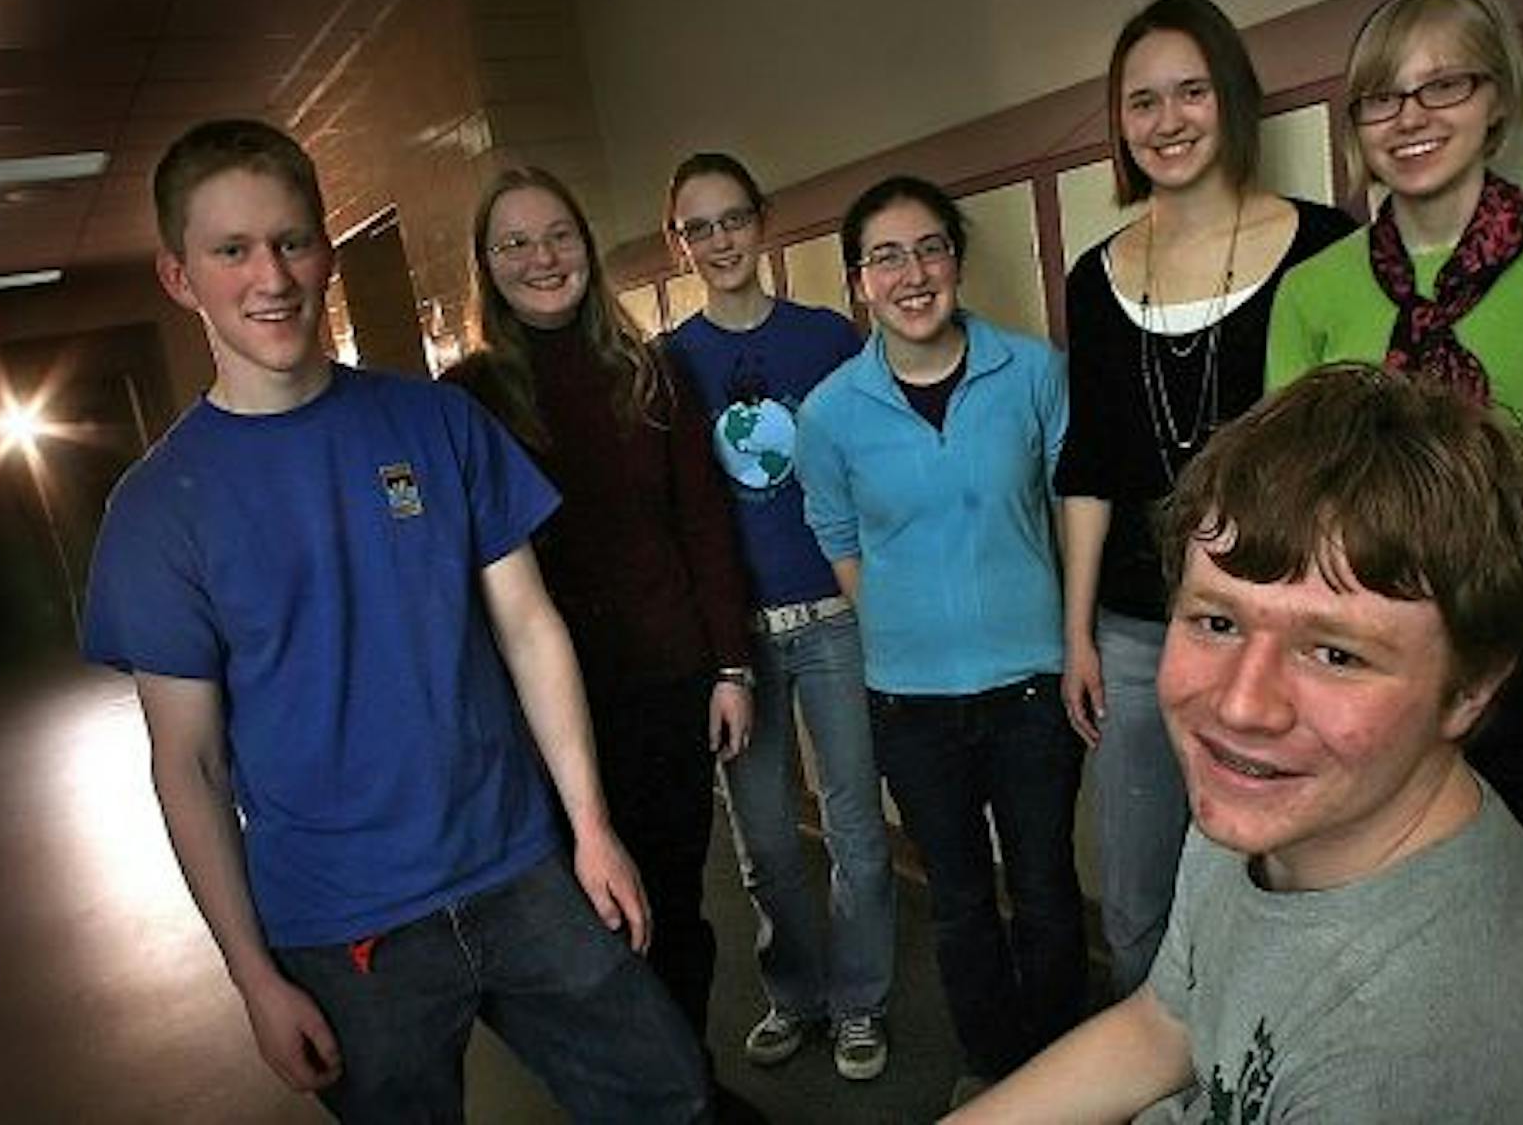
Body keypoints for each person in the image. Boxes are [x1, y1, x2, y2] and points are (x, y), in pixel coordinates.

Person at [81, 119, 709, 1124]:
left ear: (326, 248)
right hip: (341, 926)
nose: (271, 275)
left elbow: (530, 627)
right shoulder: (160, 510)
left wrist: (590, 826)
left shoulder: (435, 423)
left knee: (668, 1093)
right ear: (179, 276)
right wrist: (252, 974)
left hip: (517, 863)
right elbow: (187, 763)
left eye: (291, 240)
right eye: (231, 250)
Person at [954, 365, 1523, 1123]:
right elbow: (1165, 1025)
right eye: (1217, 622)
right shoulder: (1269, 797)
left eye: (1336, 653)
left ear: (1470, 689)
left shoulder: (1420, 1057)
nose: (1241, 705)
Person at [1267, 0, 1523, 922]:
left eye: (1445, 85)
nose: (1411, 117)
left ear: (1498, 101)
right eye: (1382, 96)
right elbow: (1295, 511)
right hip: (1369, 684)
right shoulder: (1314, 291)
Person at [1054, 0, 1356, 998]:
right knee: (1139, 895)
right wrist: (1079, 634)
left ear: (1230, 100)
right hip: (1140, 630)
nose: (1169, 119)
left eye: (1190, 91)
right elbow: (1088, 466)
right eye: (1143, 101)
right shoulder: (1093, 279)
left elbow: (1348, 455)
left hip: (1280, 627)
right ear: (1120, 124)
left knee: (1282, 882)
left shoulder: (1325, 244)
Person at [441, 167, 754, 1065]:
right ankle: (639, 1094)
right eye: (515, 242)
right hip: (549, 712)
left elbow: (704, 523)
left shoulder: (650, 373)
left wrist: (730, 666)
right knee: (594, 923)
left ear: (587, 247)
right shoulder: (466, 398)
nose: (543, 258)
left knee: (678, 907)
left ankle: (688, 1086)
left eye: (559, 235)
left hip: (667, 684)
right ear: (486, 265)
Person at [797, 174, 1086, 1107]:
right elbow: (840, 543)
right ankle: (994, 1065)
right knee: (960, 901)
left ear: (956, 261)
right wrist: (907, 626)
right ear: (858, 282)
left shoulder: (1032, 371)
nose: (911, 273)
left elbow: (1070, 506)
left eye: (929, 248)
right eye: (885, 256)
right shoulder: (830, 413)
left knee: (1045, 892)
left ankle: (1067, 1064)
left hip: (1034, 685)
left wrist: (1073, 640)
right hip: (911, 702)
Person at [662, 152, 896, 1081]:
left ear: (762, 221)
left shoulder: (831, 340)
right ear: (681, 241)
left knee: (857, 833)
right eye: (699, 226)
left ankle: (861, 1003)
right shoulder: (669, 363)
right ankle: (793, 994)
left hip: (834, 617)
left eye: (733, 219)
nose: (720, 240)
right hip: (737, 643)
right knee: (763, 842)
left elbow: (874, 471)